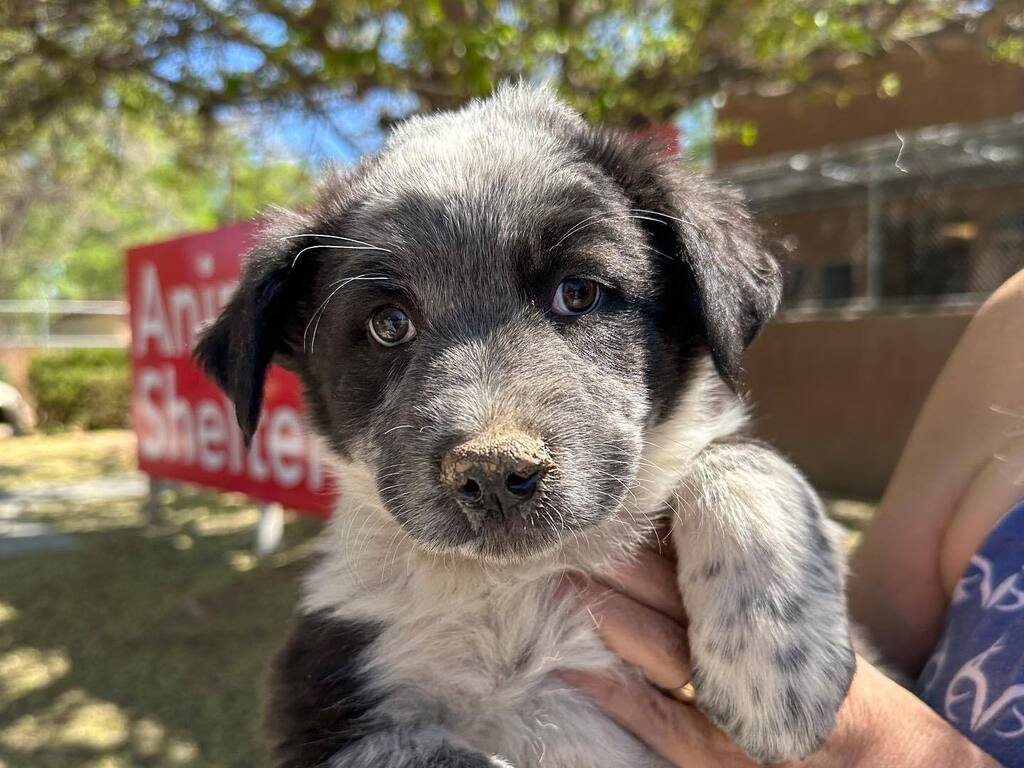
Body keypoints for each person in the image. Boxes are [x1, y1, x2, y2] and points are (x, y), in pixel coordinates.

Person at [563, 269, 1024, 767]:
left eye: (579, 295)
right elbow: (870, 629)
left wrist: (877, 749)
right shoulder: (1014, 319)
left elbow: (835, 722)